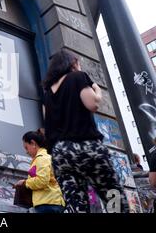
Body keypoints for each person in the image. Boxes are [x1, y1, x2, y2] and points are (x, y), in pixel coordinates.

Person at [42, 49, 129, 213]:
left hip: (61, 155)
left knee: (76, 206)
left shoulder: (47, 95)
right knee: (113, 197)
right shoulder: (78, 77)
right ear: (73, 64)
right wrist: (96, 89)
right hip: (86, 146)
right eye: (78, 63)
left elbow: (48, 126)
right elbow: (93, 104)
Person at [14, 131, 65, 213]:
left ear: (33, 143)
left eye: (26, 147)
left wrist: (24, 183)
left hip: (48, 204)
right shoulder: (44, 158)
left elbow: (42, 181)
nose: (26, 152)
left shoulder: (41, 158)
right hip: (49, 202)